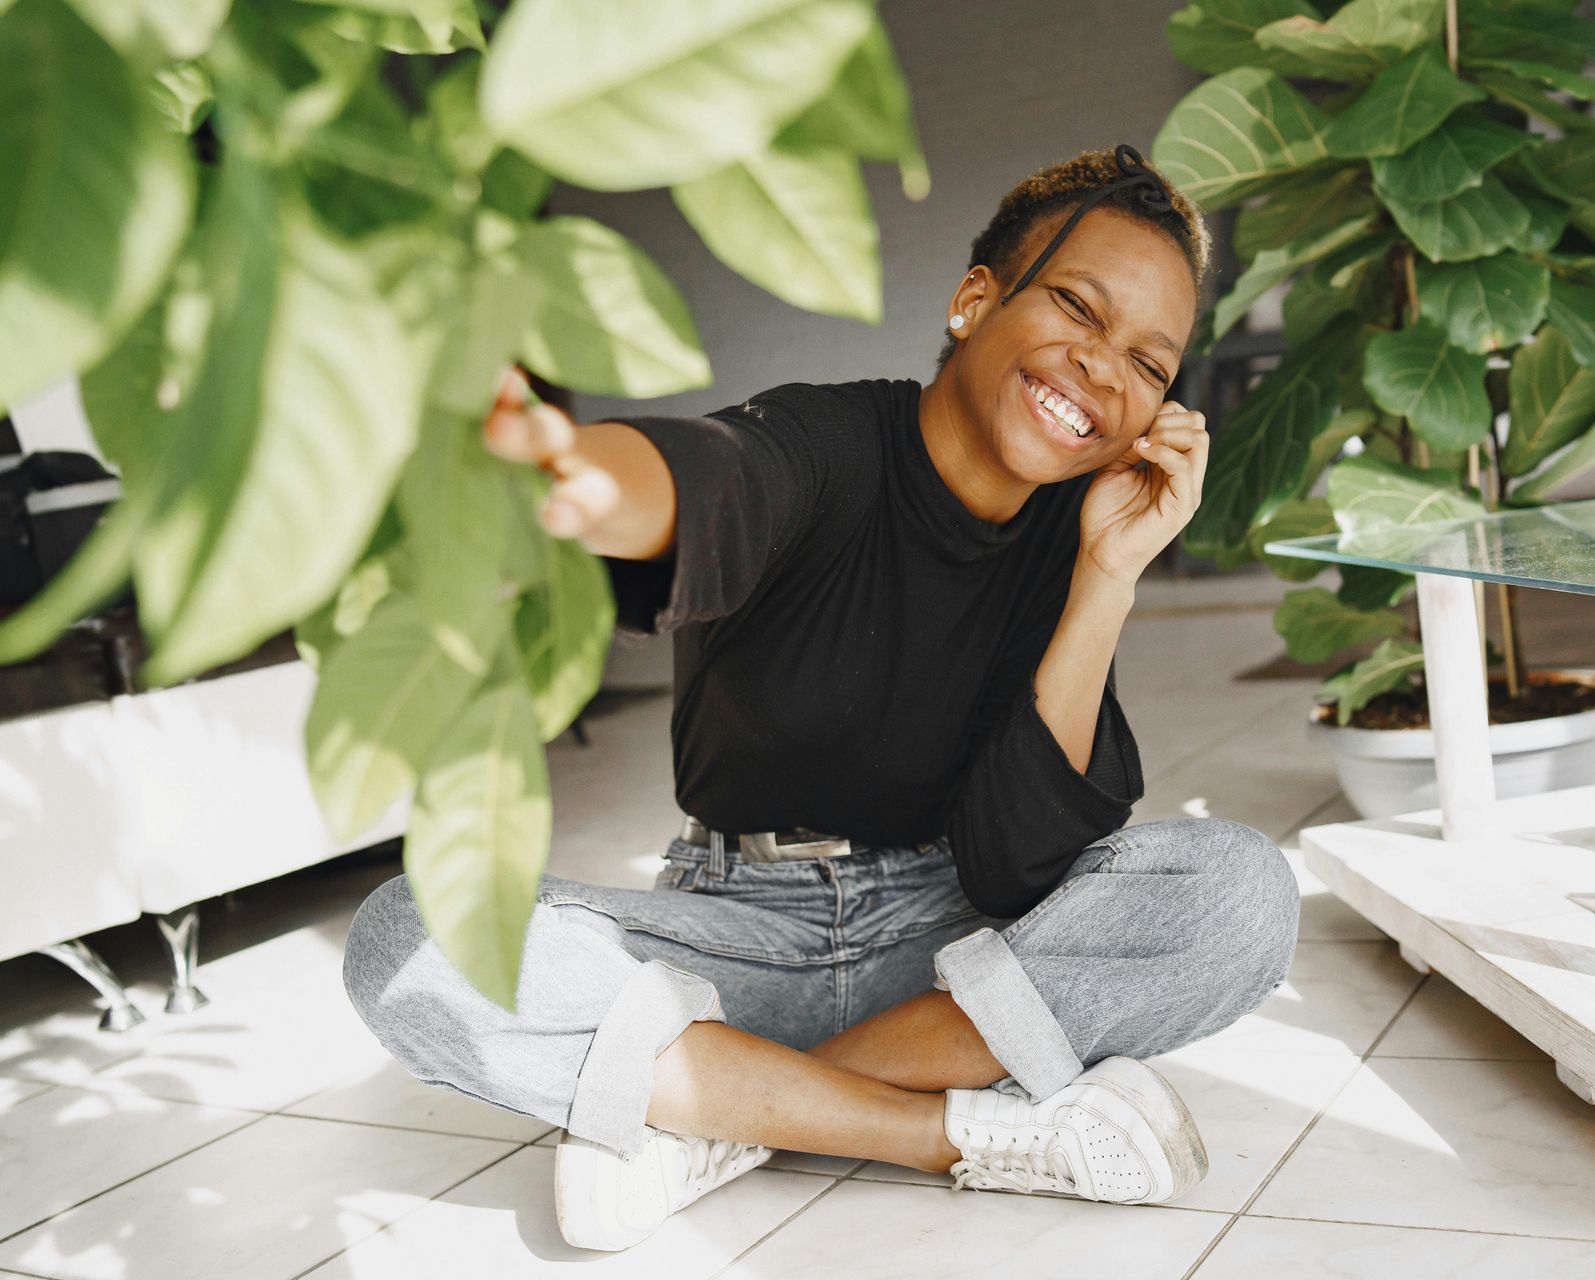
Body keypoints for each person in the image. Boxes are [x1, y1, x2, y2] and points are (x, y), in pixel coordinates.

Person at [342, 145, 1301, 1252]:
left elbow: (1018, 868)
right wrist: (571, 473)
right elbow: (707, 475)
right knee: (406, 939)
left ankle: (713, 1111)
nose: (1100, 368)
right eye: (1078, 308)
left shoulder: (1074, 533)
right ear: (973, 298)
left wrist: (1106, 578)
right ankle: (953, 1133)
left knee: (1239, 891)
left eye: (1147, 361)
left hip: (951, 945)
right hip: (736, 931)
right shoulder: (825, 441)